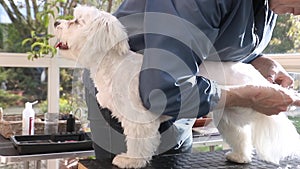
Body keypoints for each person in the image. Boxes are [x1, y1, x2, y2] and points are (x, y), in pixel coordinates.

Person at [85, 0, 300, 160]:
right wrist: (248, 98)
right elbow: (160, 90)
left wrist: (259, 62)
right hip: (125, 89)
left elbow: (217, 42)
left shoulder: (269, 7)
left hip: (185, 89)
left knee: (175, 160)